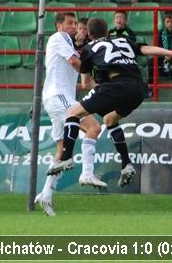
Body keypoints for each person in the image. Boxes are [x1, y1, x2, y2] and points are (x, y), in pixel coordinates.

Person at [47, 17, 172, 187]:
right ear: (108, 32)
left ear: (89, 34)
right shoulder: (124, 40)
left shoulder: (89, 48)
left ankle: (66, 157)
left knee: (72, 112)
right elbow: (146, 49)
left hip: (115, 87)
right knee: (109, 119)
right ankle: (126, 164)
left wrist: (88, 62)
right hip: (138, 90)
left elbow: (86, 84)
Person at [36, 12, 106, 216]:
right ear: (59, 26)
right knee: (93, 127)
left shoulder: (70, 43)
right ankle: (87, 173)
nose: (74, 27)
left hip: (56, 98)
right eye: (70, 23)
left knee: (61, 150)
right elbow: (76, 63)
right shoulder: (58, 38)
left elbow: (83, 79)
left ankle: (46, 194)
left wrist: (99, 85)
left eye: (76, 23)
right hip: (60, 97)